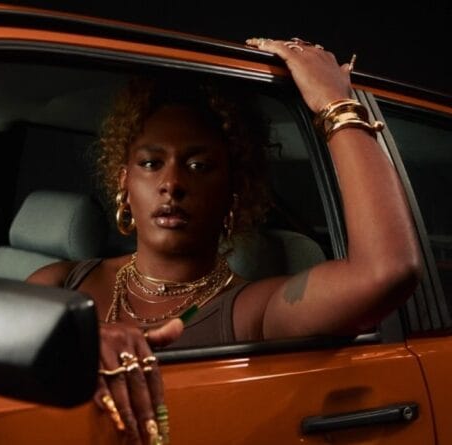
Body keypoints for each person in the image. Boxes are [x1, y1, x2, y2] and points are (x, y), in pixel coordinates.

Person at [28, 37, 421, 445]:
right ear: (124, 183)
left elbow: (387, 270)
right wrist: (81, 343)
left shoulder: (251, 311)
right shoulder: (60, 283)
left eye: (199, 166)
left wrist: (335, 104)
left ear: (234, 190)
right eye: (151, 163)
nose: (172, 183)